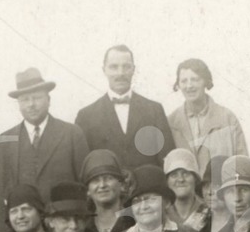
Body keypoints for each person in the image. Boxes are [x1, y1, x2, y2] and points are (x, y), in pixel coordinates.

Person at [0, 68, 90, 232]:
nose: (31, 104)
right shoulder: (3, 142)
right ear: (18, 103)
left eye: (37, 97)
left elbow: (85, 188)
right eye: (24, 99)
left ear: (48, 99)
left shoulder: (72, 134)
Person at [75, 44, 177, 172]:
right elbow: (83, 167)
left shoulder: (154, 110)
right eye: (114, 67)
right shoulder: (86, 116)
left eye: (126, 67)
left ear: (133, 70)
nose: (120, 73)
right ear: (104, 70)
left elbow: (167, 160)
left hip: (147, 190)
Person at [166, 57, 250, 178]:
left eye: (195, 79)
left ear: (205, 81)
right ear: (178, 84)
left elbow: (243, 165)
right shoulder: (171, 122)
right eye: (184, 81)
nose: (189, 86)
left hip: (221, 194)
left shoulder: (227, 118)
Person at [82, 148, 134, 232]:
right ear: (88, 190)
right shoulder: (82, 228)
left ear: (121, 185)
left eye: (108, 178)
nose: (102, 185)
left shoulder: (134, 221)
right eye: (95, 180)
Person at [164, 148, 211, 232]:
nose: (181, 179)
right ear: (167, 181)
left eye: (186, 174)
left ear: (195, 179)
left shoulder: (209, 211)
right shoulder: (162, 214)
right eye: (174, 175)